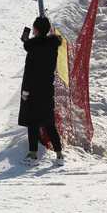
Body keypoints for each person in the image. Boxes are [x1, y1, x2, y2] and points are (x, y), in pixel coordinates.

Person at [19, 16, 64, 165]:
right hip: (47, 90)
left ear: (36, 30)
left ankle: (33, 156)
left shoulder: (33, 48)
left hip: (34, 90)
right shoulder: (53, 46)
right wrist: (30, 43)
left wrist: (25, 91)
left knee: (33, 123)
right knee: (49, 122)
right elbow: (41, 50)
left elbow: (30, 72)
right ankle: (59, 155)